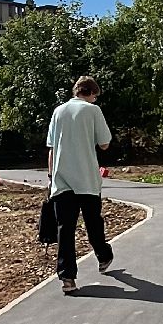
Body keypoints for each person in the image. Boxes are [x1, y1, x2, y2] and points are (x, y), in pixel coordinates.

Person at [46, 75, 113, 295]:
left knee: (65, 230)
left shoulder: (58, 111)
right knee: (93, 223)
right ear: (92, 93)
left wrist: (50, 177)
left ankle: (67, 278)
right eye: (95, 96)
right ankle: (103, 256)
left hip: (62, 180)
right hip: (86, 179)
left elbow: (52, 148)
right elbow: (104, 144)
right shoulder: (93, 111)